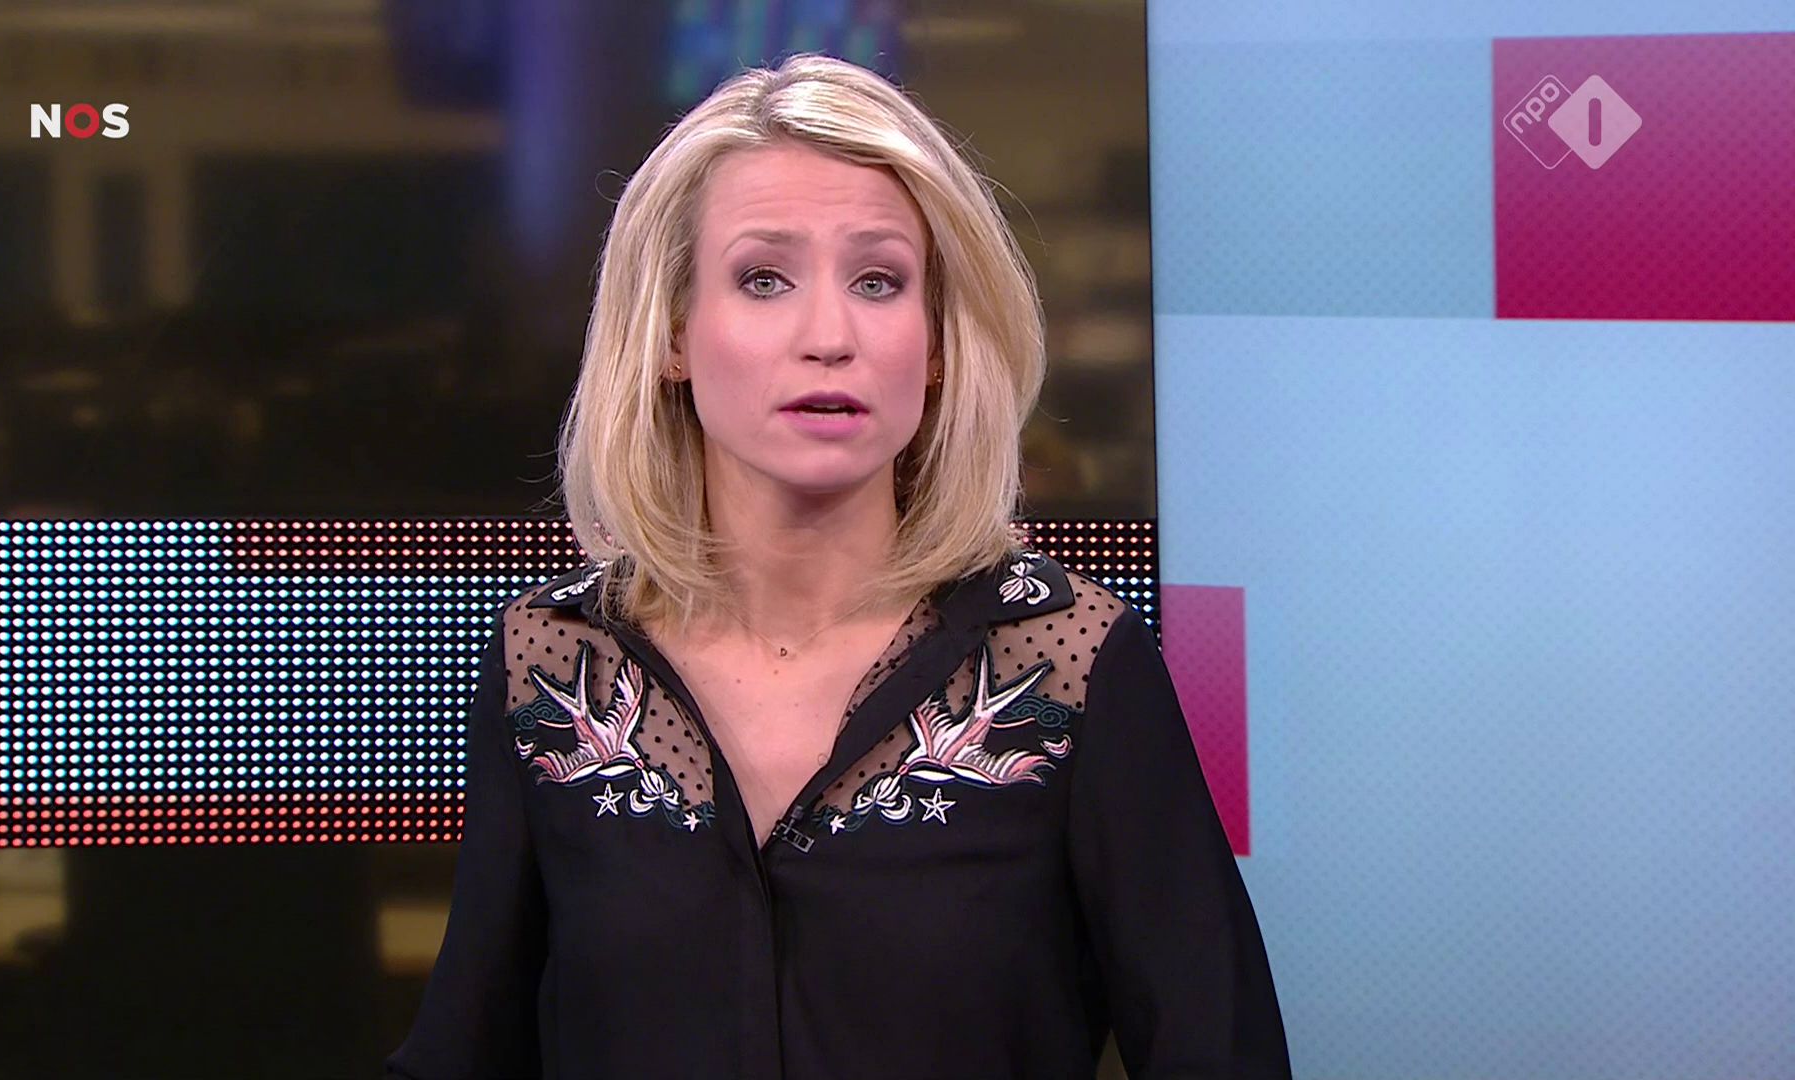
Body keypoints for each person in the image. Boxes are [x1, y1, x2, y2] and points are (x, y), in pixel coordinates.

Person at [385, 53, 1289, 1079]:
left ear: (937, 343)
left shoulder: (1070, 665)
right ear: (672, 332)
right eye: (763, 279)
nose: (829, 336)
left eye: (878, 281)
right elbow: (465, 1048)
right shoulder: (554, 667)